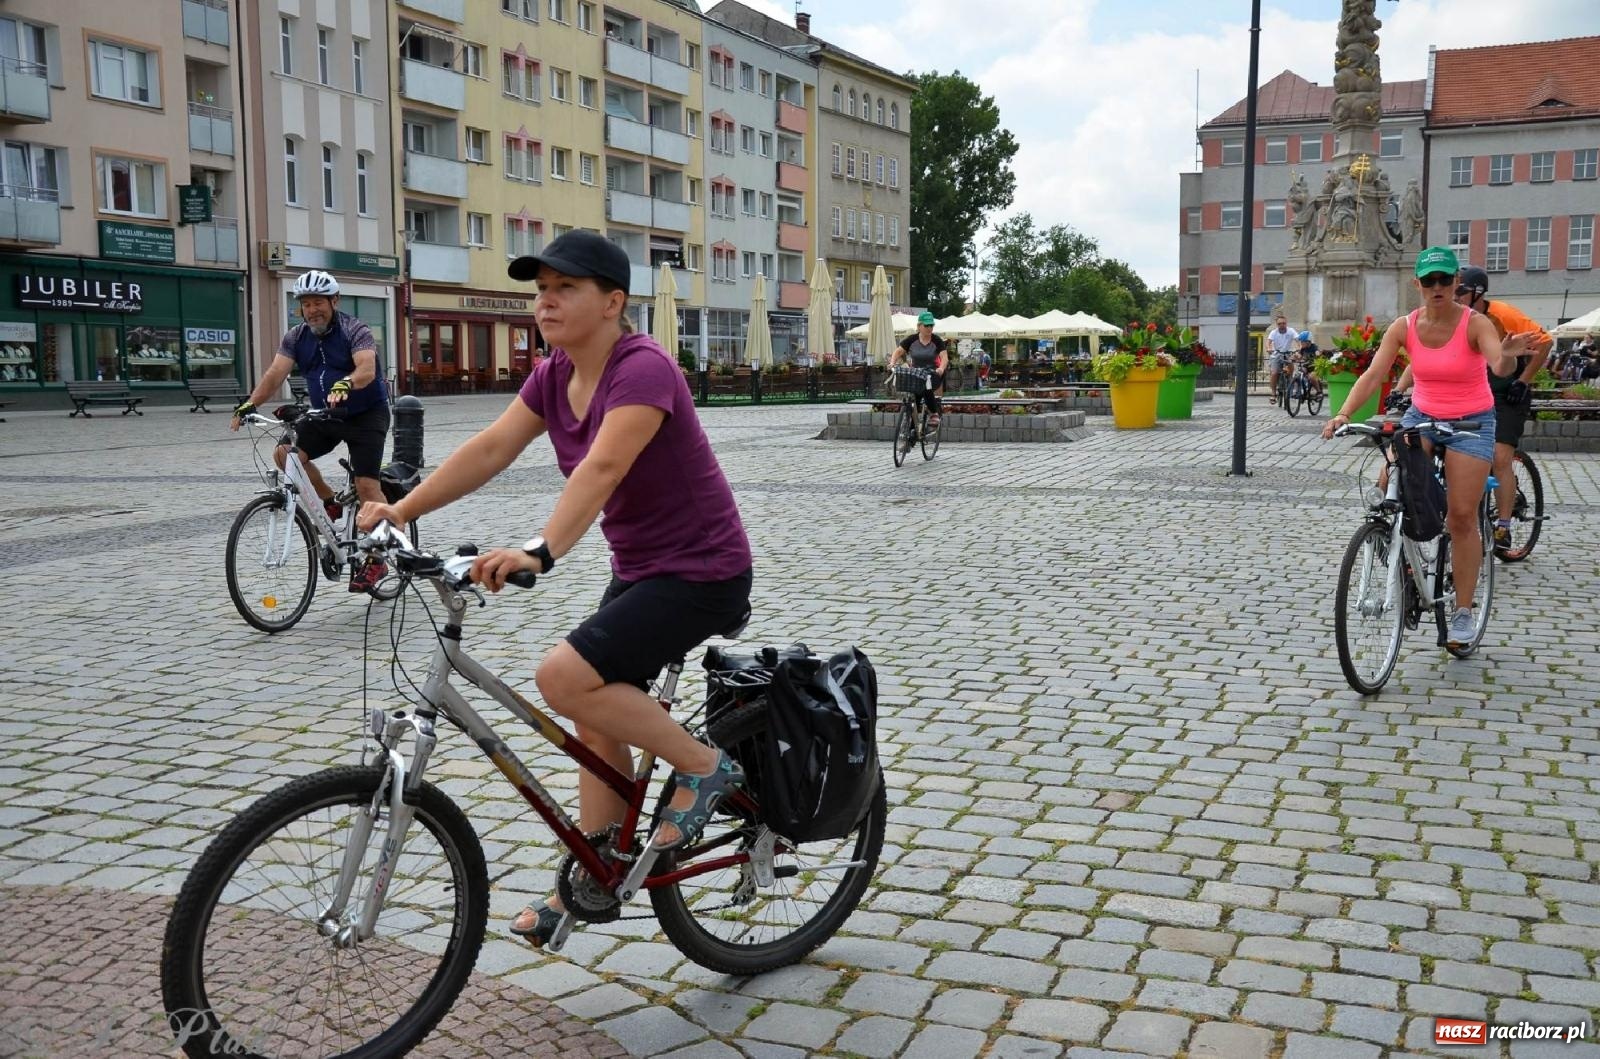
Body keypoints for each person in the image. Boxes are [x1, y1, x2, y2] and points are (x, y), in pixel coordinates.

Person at [355, 230, 754, 948]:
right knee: (593, 714)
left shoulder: (643, 368)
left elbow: (601, 469)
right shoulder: (554, 374)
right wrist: (400, 509)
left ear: (613, 302)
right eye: (540, 287)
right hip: (640, 569)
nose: (546, 299)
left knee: (563, 676)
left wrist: (540, 548)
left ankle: (706, 767)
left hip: (704, 570)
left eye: (565, 287)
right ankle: (597, 866)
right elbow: (491, 447)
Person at [1321, 246, 1524, 648]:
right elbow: (1375, 373)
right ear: (1417, 284)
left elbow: (1498, 364)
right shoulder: (1404, 326)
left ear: (1455, 284)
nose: (1437, 287)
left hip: (1472, 422)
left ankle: (1463, 612)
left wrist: (1509, 360)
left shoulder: (1475, 323)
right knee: (1389, 481)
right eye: (1429, 281)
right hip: (1423, 416)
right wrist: (1343, 414)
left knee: (1462, 516)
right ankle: (1399, 545)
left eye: (1445, 280)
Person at [232, 270, 392, 592]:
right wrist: (249, 404)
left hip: (365, 414)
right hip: (325, 413)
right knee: (284, 453)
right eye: (306, 304)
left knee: (366, 485)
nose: (312, 310)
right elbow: (276, 373)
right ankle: (328, 500)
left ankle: (379, 558)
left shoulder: (354, 330)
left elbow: (366, 368)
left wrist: (347, 382)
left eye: (318, 302)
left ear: (334, 301)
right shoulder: (296, 337)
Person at [890, 310, 949, 427]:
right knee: (914, 398)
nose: (929, 328)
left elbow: (944, 357)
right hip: (916, 373)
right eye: (926, 325)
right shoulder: (912, 339)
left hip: (933, 373)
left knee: (926, 387)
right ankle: (911, 431)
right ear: (919, 326)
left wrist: (941, 369)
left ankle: (934, 414)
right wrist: (892, 362)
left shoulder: (937, 340)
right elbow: (898, 351)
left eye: (931, 325)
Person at [1266, 315, 1297, 404]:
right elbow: (1268, 342)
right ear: (1277, 324)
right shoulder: (1273, 332)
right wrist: (1268, 348)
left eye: (1284, 323)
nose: (1282, 325)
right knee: (1274, 373)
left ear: (1286, 323)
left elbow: (1297, 339)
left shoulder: (1291, 331)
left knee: (1291, 368)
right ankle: (1273, 394)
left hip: (1288, 353)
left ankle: (1290, 384)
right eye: (1280, 324)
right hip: (1277, 354)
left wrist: (1299, 348)